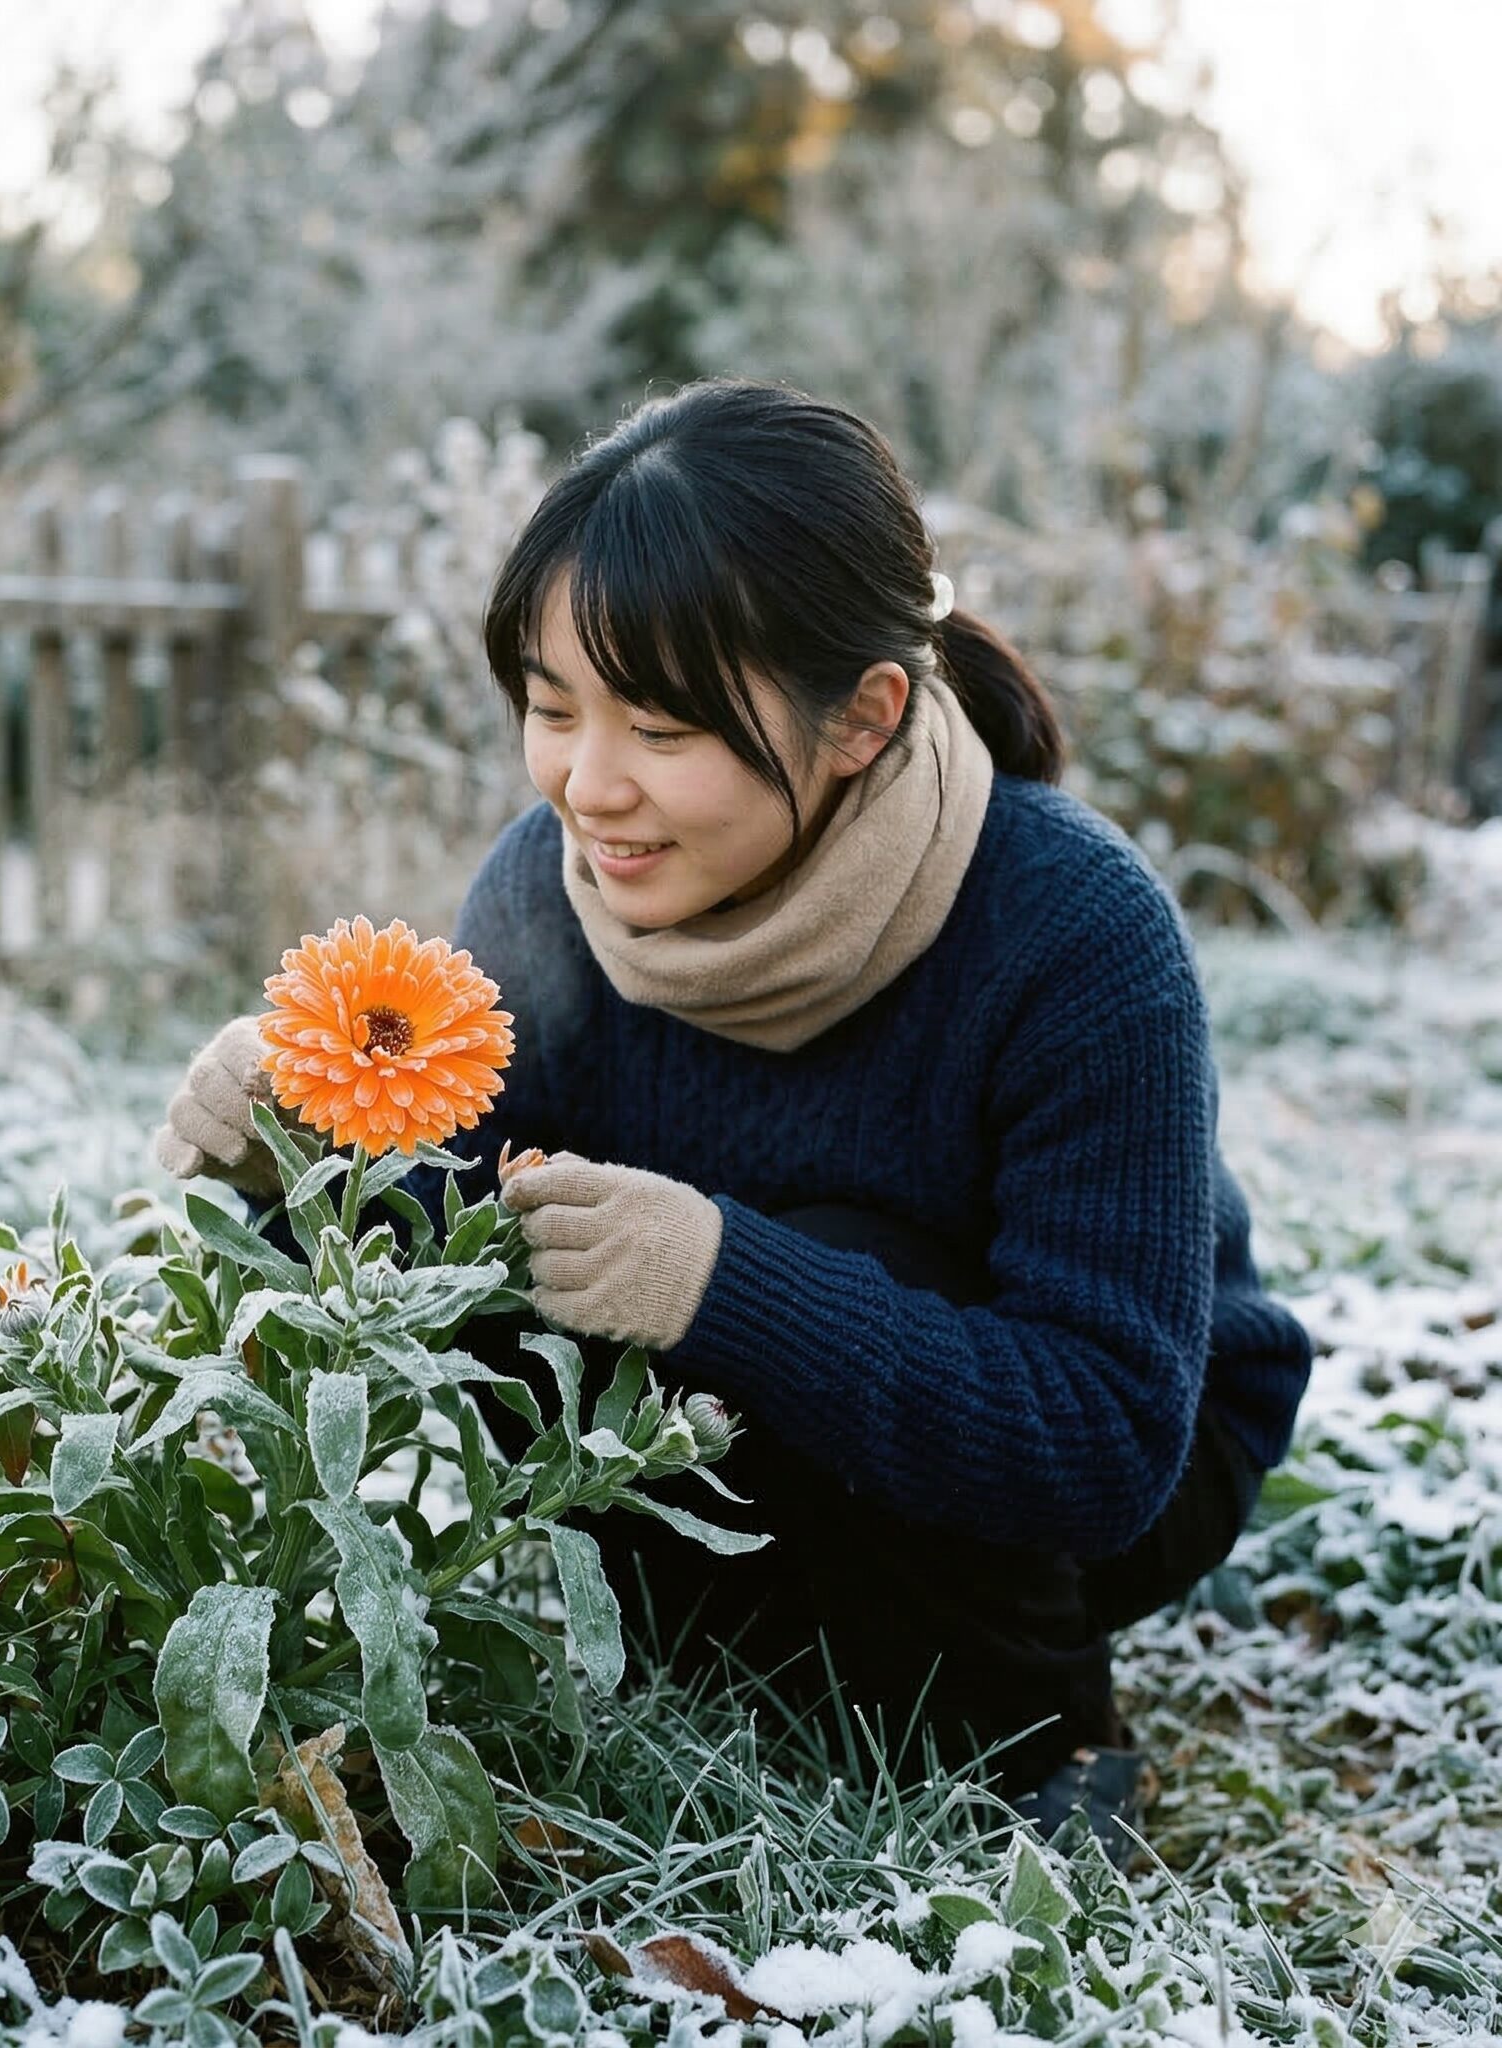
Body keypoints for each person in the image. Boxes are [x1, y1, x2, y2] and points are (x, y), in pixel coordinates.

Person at [153, 379, 1315, 1865]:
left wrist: (726, 1278)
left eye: (662, 726)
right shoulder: (543, 892)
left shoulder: (1072, 929)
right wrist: (302, 1148)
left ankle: (1041, 1738)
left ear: (863, 717)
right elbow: (465, 1252)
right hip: (747, 1390)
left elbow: (1107, 1435)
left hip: (1112, 1455)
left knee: (830, 1250)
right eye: (553, 707)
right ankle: (767, 1633)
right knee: (555, 1277)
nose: (589, 783)